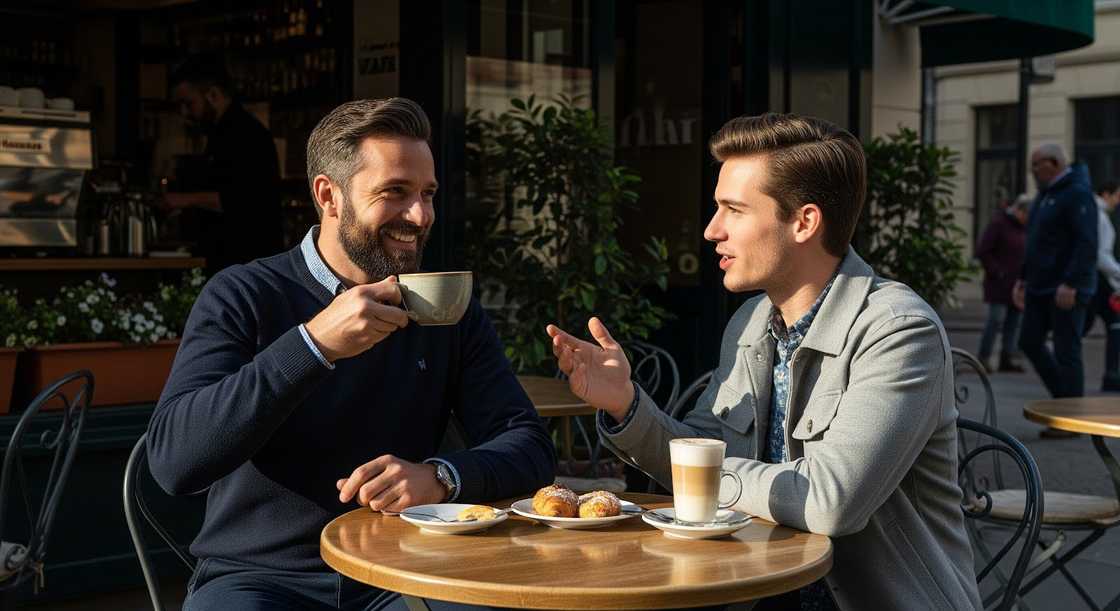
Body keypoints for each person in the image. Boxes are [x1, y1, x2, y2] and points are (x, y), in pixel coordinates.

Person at [546, 113, 980, 610]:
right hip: (752, 589)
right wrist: (626, 405)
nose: (712, 230)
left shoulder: (899, 333)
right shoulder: (751, 323)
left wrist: (709, 478)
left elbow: (829, 502)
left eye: (734, 210)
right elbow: (698, 455)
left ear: (804, 222)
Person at [147, 98, 555, 611]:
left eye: (428, 194)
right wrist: (312, 345)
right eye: (395, 192)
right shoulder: (244, 293)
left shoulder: (444, 308)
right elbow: (173, 463)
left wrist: (441, 478)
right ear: (328, 196)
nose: (420, 216)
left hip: (406, 572)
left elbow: (530, 448)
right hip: (260, 579)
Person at [167, 54, 284, 273]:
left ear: (212, 94)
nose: (184, 113)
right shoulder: (220, 133)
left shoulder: (245, 134)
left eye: (188, 103)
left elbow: (240, 199)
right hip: (233, 258)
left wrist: (182, 200)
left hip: (247, 259)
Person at [1013, 144, 1098, 434]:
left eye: (1036, 165)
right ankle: (1064, 404)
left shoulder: (1077, 193)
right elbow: (1035, 241)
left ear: (1054, 163)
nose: (1032, 171)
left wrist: (1073, 283)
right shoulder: (1045, 196)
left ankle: (1071, 420)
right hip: (1039, 287)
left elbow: (1087, 242)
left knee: (1067, 351)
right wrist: (1022, 279)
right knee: (1029, 341)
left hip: (1064, 289)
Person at [975, 194, 1030, 373]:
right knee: (995, 320)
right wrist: (997, 271)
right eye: (1027, 215)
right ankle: (983, 357)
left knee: (1014, 322)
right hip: (999, 283)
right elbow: (983, 250)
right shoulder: (999, 223)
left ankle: (1007, 358)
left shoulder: (1024, 227)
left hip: (1017, 285)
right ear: (1019, 210)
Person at [1086, 179, 1120, 391]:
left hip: (1095, 280)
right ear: (1106, 194)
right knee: (1115, 325)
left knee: (1111, 325)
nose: (1118, 200)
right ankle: (1111, 375)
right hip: (1098, 281)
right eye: (1117, 195)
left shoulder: (1094, 213)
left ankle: (1112, 374)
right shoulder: (1100, 217)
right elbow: (1101, 255)